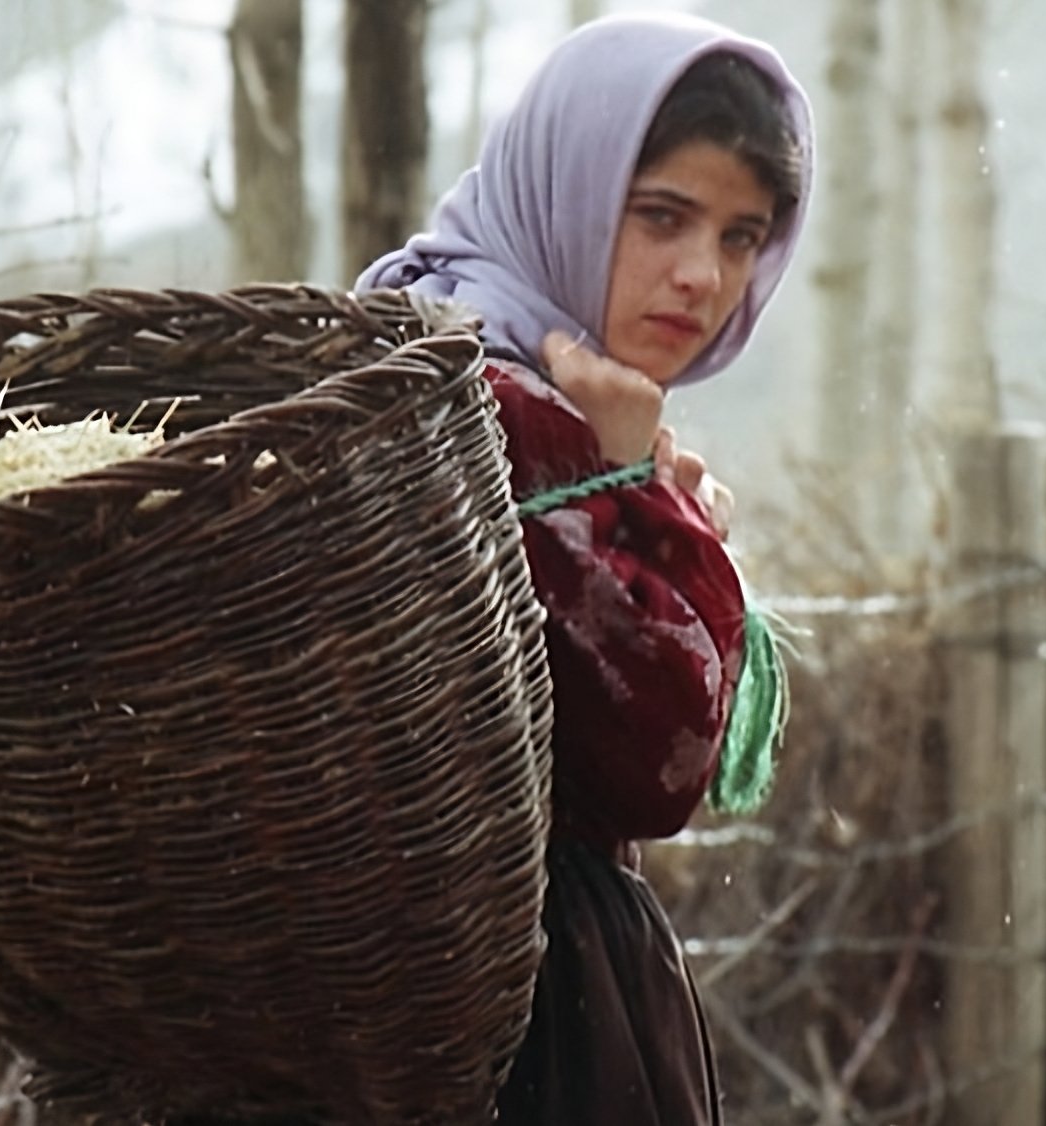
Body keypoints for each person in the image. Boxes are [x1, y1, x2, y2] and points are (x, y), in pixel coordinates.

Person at [356, 13, 812, 1126]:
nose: (701, 275)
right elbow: (661, 755)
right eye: (659, 216)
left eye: (741, 236)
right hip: (505, 1017)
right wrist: (629, 496)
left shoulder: (459, 357)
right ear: (567, 186)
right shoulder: (486, 410)